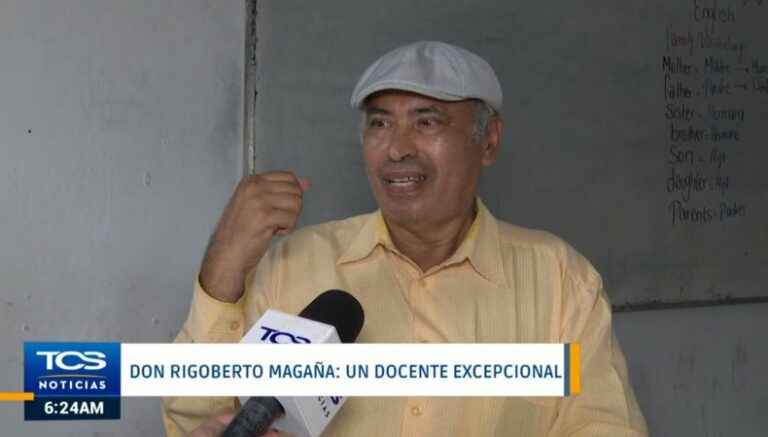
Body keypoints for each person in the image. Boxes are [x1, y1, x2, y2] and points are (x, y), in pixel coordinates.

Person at [162, 41, 648, 436]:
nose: (397, 148)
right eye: (380, 123)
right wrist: (225, 261)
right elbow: (194, 419)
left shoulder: (562, 283)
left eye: (426, 121)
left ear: (489, 140)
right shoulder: (291, 267)